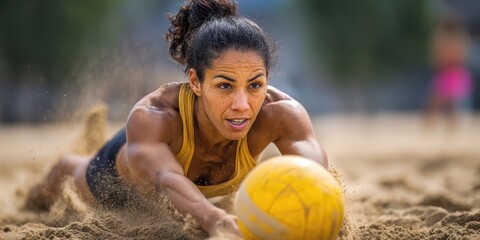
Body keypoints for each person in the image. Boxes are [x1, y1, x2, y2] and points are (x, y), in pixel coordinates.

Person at [25, 0, 328, 237]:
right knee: (72, 175)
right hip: (119, 179)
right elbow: (167, 180)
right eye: (224, 85)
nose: (242, 105)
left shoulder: (282, 114)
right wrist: (217, 220)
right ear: (195, 82)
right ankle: (60, 170)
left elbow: (319, 178)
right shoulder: (153, 116)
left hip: (173, 175)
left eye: (255, 85)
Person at [425, 14, 473, 132]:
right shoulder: (452, 39)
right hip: (448, 72)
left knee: (446, 101)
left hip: (452, 72)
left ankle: (448, 125)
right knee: (441, 101)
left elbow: (457, 57)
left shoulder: (453, 40)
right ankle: (438, 124)